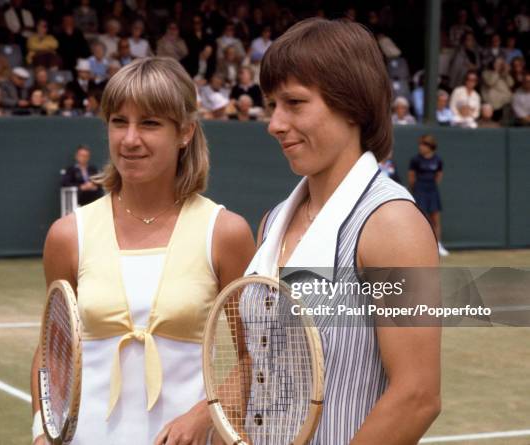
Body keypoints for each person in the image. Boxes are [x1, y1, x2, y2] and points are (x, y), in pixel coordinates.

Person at [30, 57, 255, 445]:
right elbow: (53, 354)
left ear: (184, 132)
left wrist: (204, 414)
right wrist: (41, 432)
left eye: (149, 123)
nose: (130, 139)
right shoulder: (68, 234)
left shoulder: (225, 233)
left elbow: (255, 358)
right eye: (119, 121)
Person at [250, 18, 441, 444]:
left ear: (352, 104)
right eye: (271, 105)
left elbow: (417, 395)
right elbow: (259, 364)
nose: (275, 124)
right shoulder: (272, 222)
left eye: (294, 103)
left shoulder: (392, 225)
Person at [408, 135, 448, 256]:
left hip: (432, 191)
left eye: (423, 144)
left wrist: (431, 186)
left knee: (435, 220)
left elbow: (439, 175)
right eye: (420, 144)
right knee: (421, 220)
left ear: (430, 147)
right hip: (419, 191)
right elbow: (411, 177)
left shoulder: (438, 160)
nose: (421, 147)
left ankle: (438, 245)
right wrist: (417, 189)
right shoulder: (415, 160)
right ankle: (420, 246)